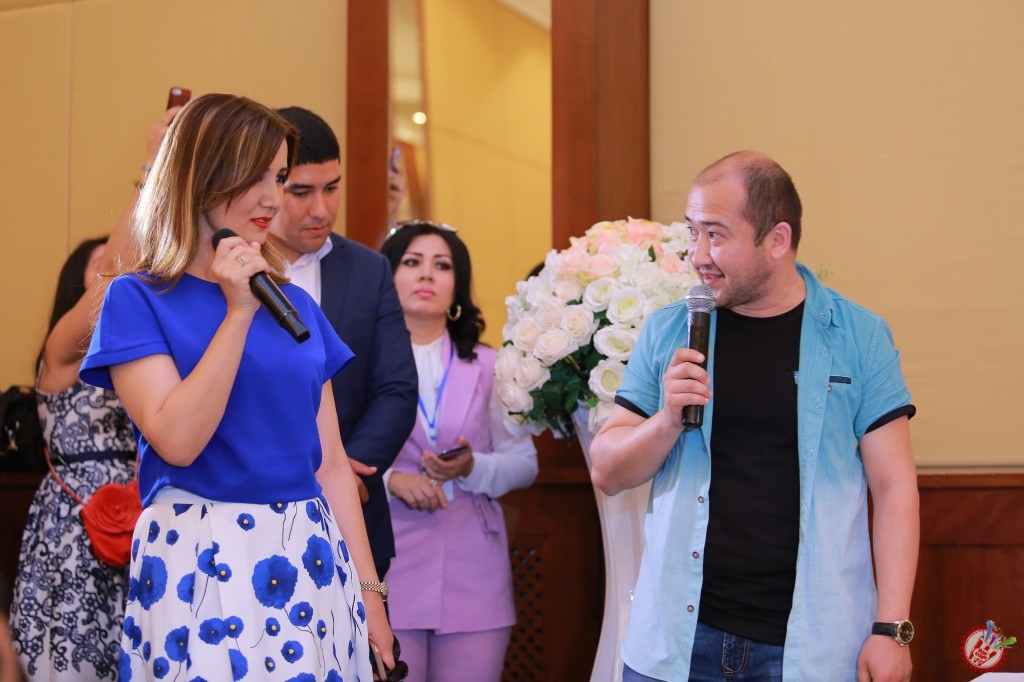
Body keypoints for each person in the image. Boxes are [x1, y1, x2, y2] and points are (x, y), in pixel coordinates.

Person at [79, 93, 394, 680]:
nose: (274, 198)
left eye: (279, 176)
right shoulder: (137, 298)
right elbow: (178, 440)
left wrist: (370, 593)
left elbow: (330, 465)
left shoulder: (295, 304)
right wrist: (239, 313)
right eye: (257, 177)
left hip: (307, 549)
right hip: (198, 551)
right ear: (202, 176)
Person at [589, 151, 919, 682]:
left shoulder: (859, 337)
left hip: (813, 648)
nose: (698, 254)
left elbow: (894, 486)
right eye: (692, 233)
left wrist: (891, 629)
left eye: (716, 235)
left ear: (777, 239)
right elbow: (607, 471)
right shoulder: (670, 330)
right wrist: (666, 419)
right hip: (675, 644)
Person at [9, 107, 179, 681]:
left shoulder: (152, 352)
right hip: (75, 535)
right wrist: (154, 167)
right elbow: (117, 274)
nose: (108, 270)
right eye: (95, 267)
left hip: (152, 523)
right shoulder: (63, 352)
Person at [379, 221, 538, 682]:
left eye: (442, 265)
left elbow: (524, 464)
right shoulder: (360, 364)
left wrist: (472, 467)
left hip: (473, 566)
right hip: (388, 561)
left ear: (457, 285)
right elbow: (328, 457)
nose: (427, 274)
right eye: (412, 262)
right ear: (387, 277)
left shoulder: (491, 365)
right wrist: (391, 480)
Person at [268, 106, 418, 583]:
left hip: (355, 512)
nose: (321, 209)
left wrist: (344, 472)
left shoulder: (369, 270)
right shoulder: (222, 272)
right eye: (301, 192)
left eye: (332, 188)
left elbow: (396, 389)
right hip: (254, 510)